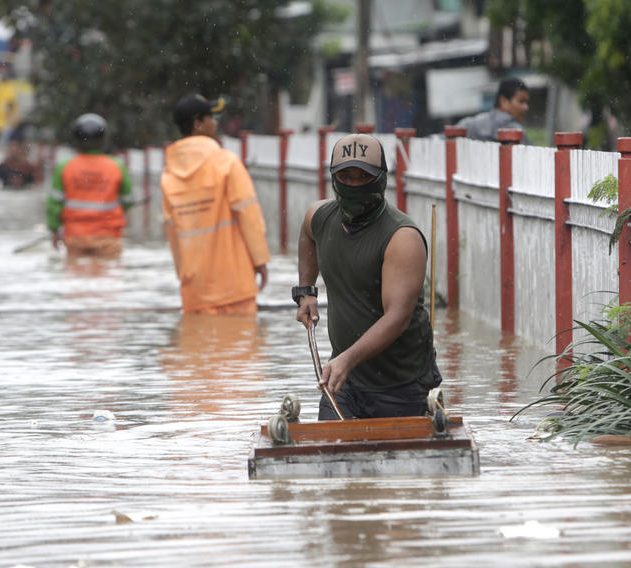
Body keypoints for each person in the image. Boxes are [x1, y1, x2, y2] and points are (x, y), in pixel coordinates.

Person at [295, 133, 442, 420]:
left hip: (401, 385)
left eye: (363, 176)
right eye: (345, 176)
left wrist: (346, 359)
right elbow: (306, 234)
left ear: (381, 178)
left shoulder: (402, 238)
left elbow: (396, 317)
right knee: (330, 455)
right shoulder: (321, 217)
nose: (353, 185)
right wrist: (306, 291)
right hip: (344, 383)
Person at [160, 94, 270, 315]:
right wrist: (260, 261)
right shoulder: (226, 162)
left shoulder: (168, 175)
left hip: (194, 292)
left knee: (197, 347)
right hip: (234, 285)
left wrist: (185, 278)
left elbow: (173, 235)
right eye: (211, 117)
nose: (216, 122)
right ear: (197, 123)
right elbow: (248, 215)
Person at [47, 113, 133, 258]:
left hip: (75, 237)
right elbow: (128, 201)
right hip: (108, 236)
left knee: (76, 277)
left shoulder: (65, 167)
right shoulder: (117, 166)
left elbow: (54, 205)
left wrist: (54, 230)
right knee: (108, 277)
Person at [456, 77, 531, 144]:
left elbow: (446, 141)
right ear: (503, 101)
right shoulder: (516, 131)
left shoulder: (469, 125)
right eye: (521, 101)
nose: (526, 107)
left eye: (526, 103)